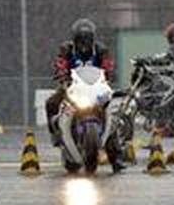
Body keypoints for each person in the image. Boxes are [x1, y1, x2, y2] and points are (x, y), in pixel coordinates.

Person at [45, 18, 125, 172]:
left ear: (92, 38)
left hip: (96, 88)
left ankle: (116, 158)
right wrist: (61, 73)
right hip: (72, 87)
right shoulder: (67, 49)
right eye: (81, 38)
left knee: (110, 113)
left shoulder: (101, 50)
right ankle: (56, 136)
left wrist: (110, 72)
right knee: (51, 103)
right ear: (75, 38)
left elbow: (108, 65)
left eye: (87, 38)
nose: (84, 42)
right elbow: (60, 63)